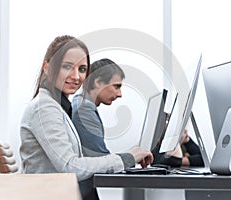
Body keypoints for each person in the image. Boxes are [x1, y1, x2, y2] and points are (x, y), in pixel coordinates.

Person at [19, 35, 153, 200]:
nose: (76, 76)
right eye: (67, 67)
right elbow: (70, 166)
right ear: (47, 67)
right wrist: (127, 158)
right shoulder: (44, 108)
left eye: (82, 69)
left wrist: (128, 157)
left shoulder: (56, 106)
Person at [72, 58, 124, 157]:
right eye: (116, 87)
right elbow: (100, 158)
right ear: (98, 82)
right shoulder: (84, 109)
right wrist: (132, 157)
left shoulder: (80, 103)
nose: (119, 94)